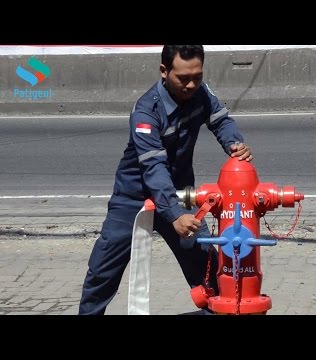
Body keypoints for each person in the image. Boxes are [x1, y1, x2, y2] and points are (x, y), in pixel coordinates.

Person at [79, 45, 253, 315]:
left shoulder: (201, 93)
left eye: (198, 76)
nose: (192, 84)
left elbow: (221, 121)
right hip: (134, 199)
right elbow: (153, 168)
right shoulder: (146, 111)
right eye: (183, 78)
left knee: (210, 270)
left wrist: (234, 144)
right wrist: (173, 215)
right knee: (102, 272)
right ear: (164, 71)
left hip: (181, 196)